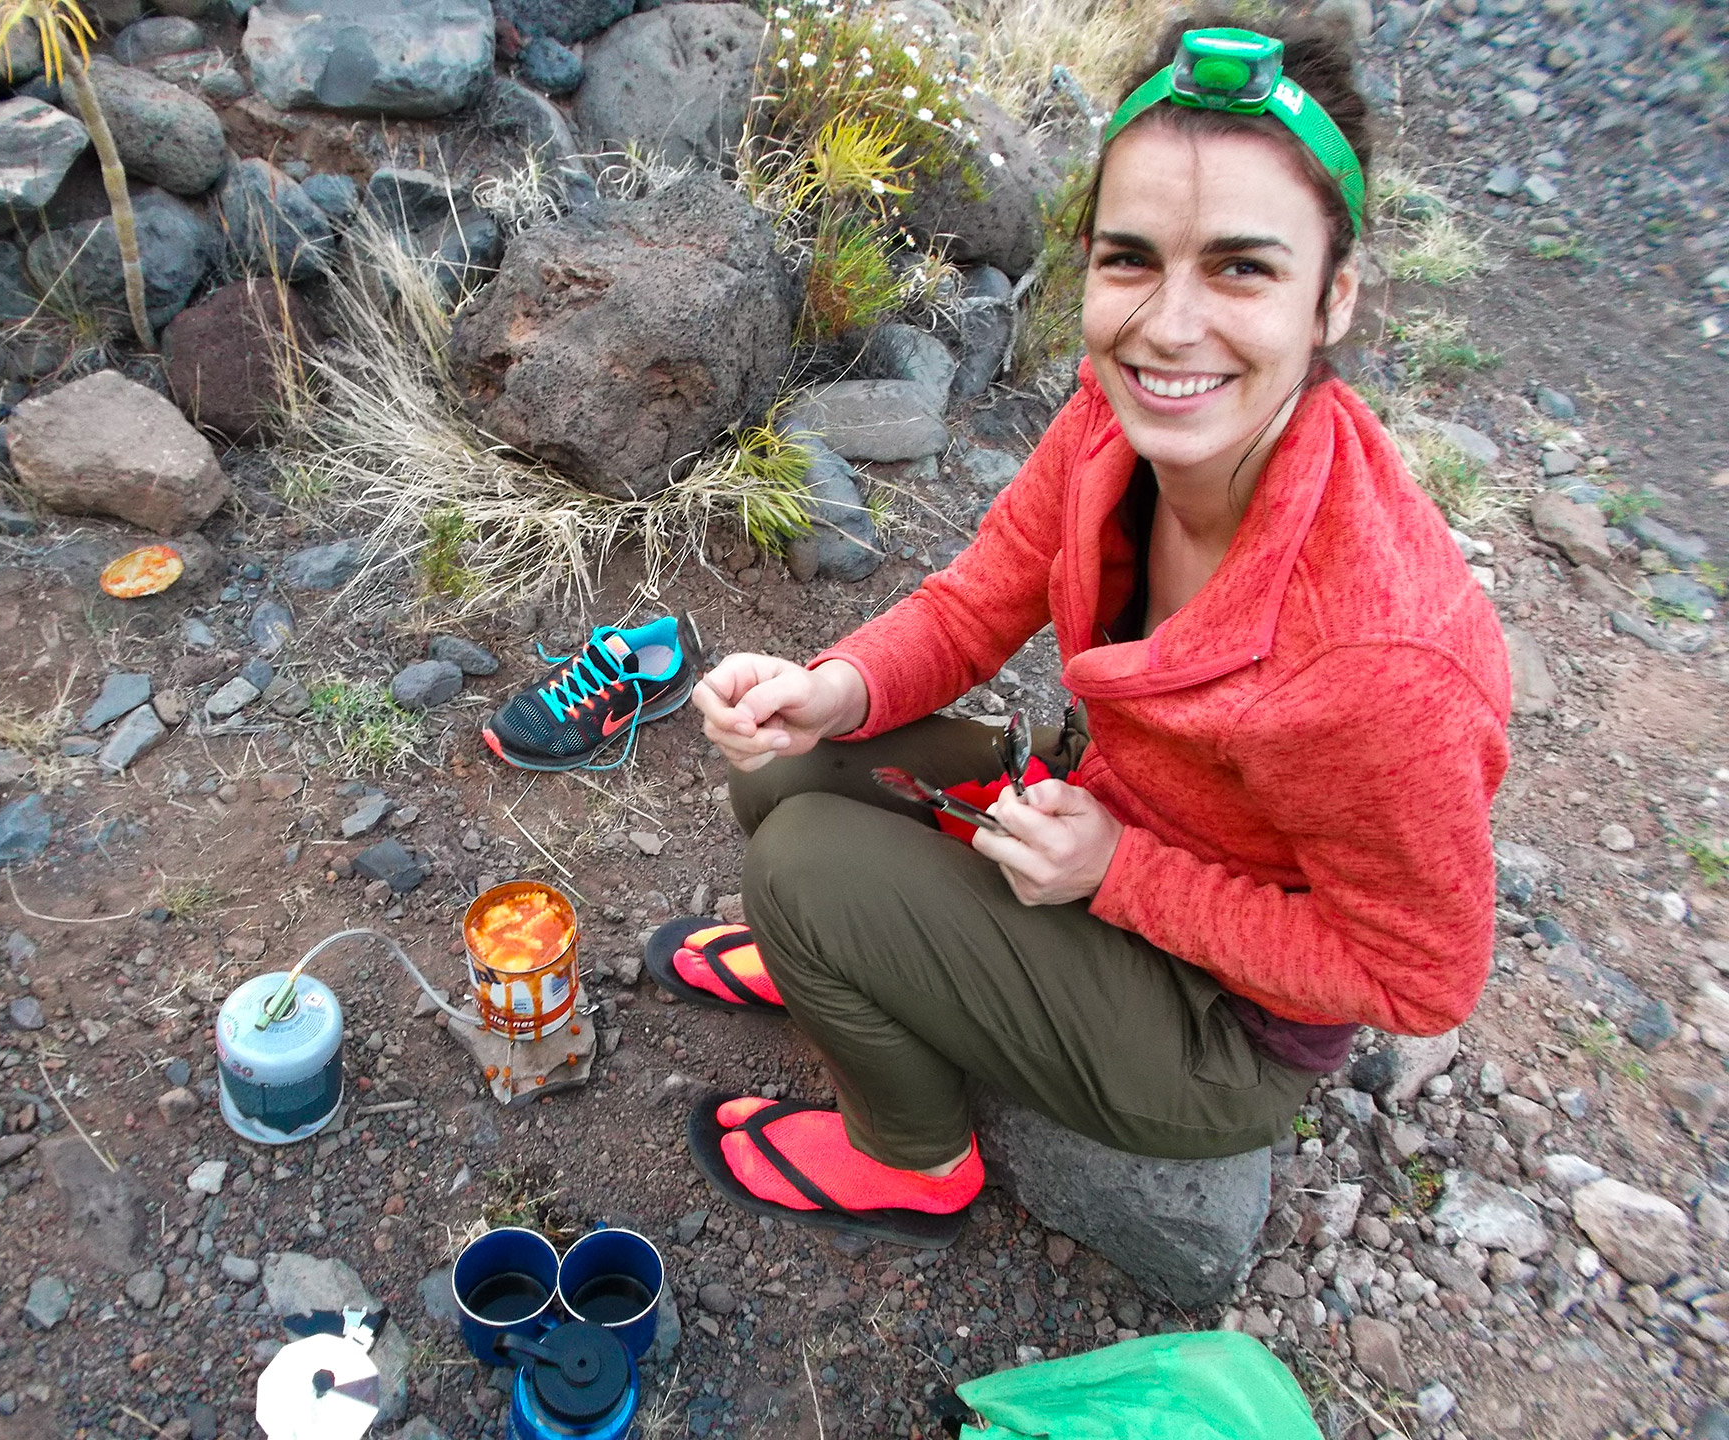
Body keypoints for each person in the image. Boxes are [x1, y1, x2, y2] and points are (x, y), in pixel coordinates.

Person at [644, 13, 1511, 1247]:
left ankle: (911, 1157)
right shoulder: (1117, 426)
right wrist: (835, 687)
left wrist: (1122, 873)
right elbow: (981, 595)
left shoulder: (1378, 661)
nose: (1167, 326)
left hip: (1219, 1023)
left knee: (803, 869)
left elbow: (1418, 978)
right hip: (1106, 818)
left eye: (1243, 268)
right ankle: (837, 960)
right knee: (786, 764)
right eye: (1131, 259)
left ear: (1336, 295)